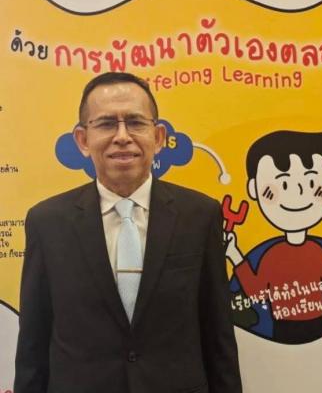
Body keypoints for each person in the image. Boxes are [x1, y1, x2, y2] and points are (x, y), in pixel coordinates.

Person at [14, 72, 242, 393]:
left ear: (158, 137)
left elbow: (218, 333)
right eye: (107, 124)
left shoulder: (200, 216)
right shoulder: (47, 222)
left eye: (135, 122)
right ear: (82, 140)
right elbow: (33, 343)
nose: (122, 136)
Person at [226, 130, 322, 343]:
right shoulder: (273, 256)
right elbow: (257, 292)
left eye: (314, 187)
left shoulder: (316, 252)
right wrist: (234, 253)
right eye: (281, 186)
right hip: (281, 329)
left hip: (319, 328)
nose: (298, 194)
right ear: (253, 189)